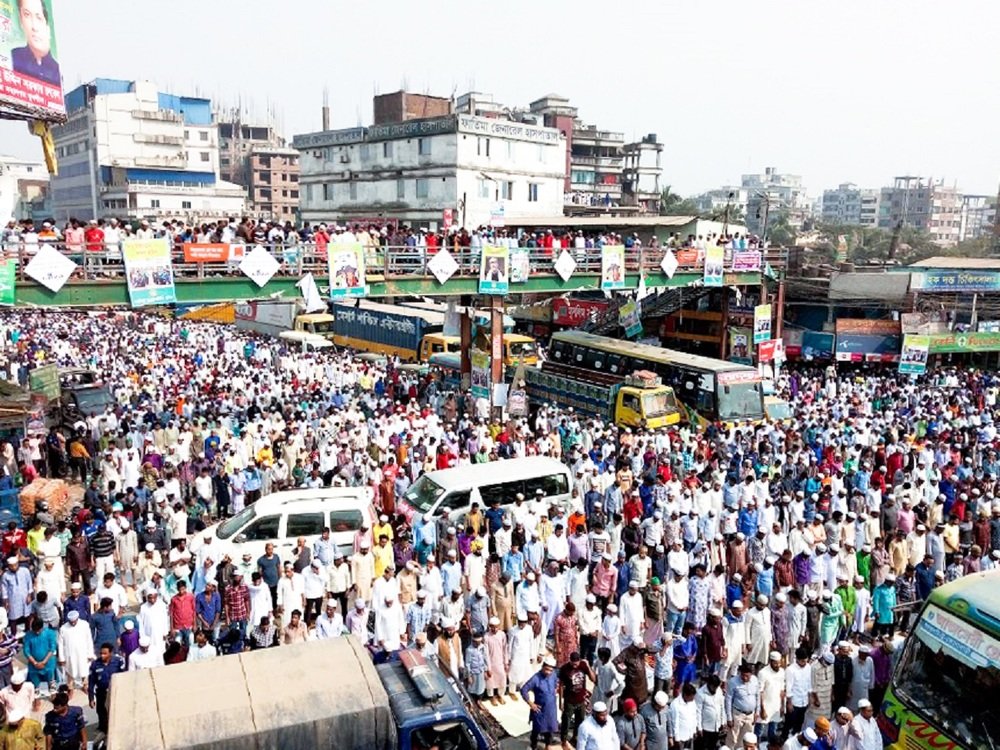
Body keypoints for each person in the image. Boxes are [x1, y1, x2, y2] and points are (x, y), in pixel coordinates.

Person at [10, 0, 62, 86]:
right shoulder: (13, 57)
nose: (34, 27)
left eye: (39, 18)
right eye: (27, 15)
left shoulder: (57, 72)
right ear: (21, 20)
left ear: (47, 27)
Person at [520, 656, 559, 750]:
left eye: (550, 670)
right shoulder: (535, 678)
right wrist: (531, 704)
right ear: (542, 667)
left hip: (551, 708)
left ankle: (548, 745)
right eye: (546, 669)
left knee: (550, 729)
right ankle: (533, 746)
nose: (548, 672)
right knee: (537, 730)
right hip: (540, 710)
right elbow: (524, 689)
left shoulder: (553, 675)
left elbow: (556, 683)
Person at [557, 651, 595, 748]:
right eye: (573, 664)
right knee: (566, 721)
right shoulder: (564, 669)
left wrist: (588, 666)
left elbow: (593, 679)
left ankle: (575, 737)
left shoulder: (583, 666)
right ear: (570, 661)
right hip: (569, 700)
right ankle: (564, 741)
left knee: (580, 721)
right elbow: (561, 686)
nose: (575, 666)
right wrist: (560, 702)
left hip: (581, 700)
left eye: (576, 664)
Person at [88, 643, 124, 736]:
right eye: (101, 653)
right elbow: (91, 682)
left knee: (116, 711)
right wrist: (91, 698)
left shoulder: (118, 662)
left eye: (105, 653)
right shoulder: (95, 664)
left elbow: (124, 676)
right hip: (101, 692)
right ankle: (104, 730)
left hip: (115, 692)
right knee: (101, 712)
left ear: (110, 653)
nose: (102, 655)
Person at [57, 610, 94, 694]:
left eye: (74, 621)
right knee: (70, 671)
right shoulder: (63, 628)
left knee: (84, 670)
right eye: (71, 622)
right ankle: (70, 688)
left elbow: (89, 640)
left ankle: (85, 686)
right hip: (69, 654)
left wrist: (90, 653)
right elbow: (60, 644)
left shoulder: (84, 625)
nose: (73, 623)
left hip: (83, 653)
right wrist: (61, 658)